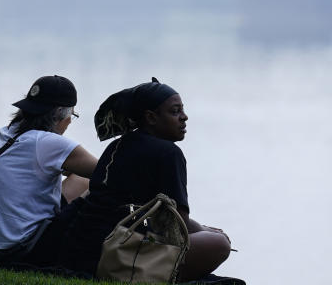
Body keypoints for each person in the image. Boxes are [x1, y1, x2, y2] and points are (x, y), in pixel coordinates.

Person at [61, 78, 233, 281]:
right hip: (117, 253)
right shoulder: (169, 153)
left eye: (182, 110)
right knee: (219, 244)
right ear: (151, 117)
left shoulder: (117, 145)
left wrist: (202, 228)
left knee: (206, 235)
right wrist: (206, 232)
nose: (184, 117)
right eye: (175, 111)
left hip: (83, 250)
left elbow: (163, 211)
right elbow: (176, 226)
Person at [0, 74, 98, 268]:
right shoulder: (46, 143)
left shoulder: (9, 132)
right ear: (61, 115)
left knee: (79, 178)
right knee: (96, 186)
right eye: (72, 114)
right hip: (19, 249)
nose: (71, 121)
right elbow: (107, 170)